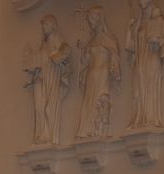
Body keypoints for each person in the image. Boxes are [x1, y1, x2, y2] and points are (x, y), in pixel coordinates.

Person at [23, 14, 70, 146]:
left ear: (53, 25)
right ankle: (39, 136)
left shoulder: (60, 44)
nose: (43, 27)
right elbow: (37, 60)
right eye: (43, 24)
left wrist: (55, 55)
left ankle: (48, 136)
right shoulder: (42, 45)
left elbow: (64, 55)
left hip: (52, 78)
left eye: (46, 24)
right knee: (39, 107)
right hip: (40, 79)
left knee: (49, 107)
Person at [75, 5, 120, 139]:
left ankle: (98, 130)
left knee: (99, 102)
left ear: (99, 19)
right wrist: (83, 49)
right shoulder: (91, 41)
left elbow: (115, 56)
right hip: (91, 75)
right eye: (89, 21)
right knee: (89, 102)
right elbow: (84, 61)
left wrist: (114, 69)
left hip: (102, 74)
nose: (90, 23)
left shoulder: (108, 39)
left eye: (91, 20)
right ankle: (86, 130)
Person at [124, 0, 164, 130]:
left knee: (149, 87)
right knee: (137, 90)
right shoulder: (139, 21)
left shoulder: (158, 19)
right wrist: (130, 29)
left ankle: (149, 119)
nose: (140, 1)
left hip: (151, 58)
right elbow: (132, 46)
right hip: (140, 61)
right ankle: (139, 118)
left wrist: (157, 41)